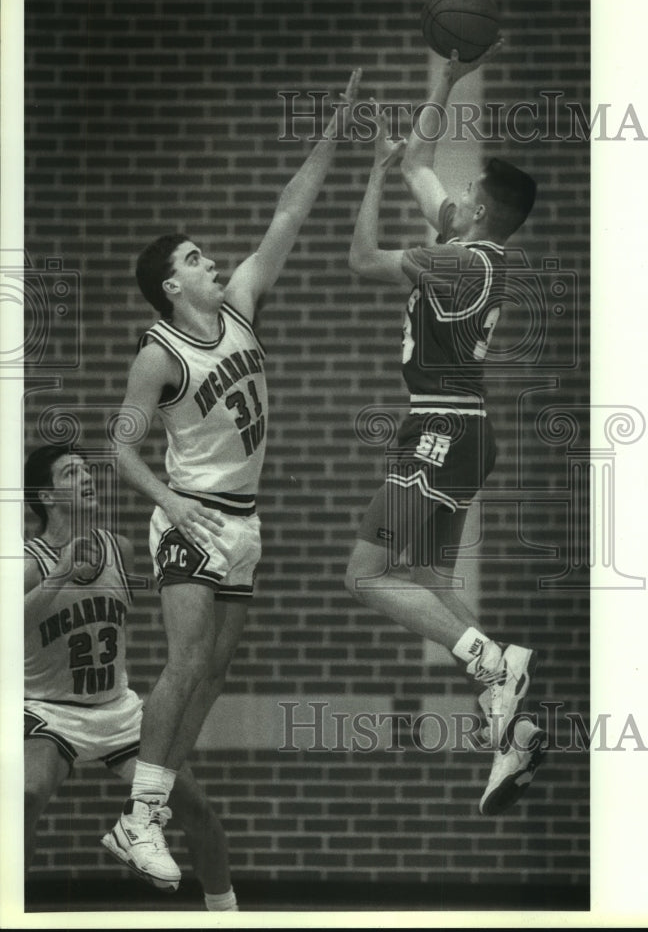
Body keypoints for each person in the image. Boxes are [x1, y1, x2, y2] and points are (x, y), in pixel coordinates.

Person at [105, 68, 362, 887]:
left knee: (212, 676)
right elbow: (120, 447)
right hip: (193, 517)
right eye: (194, 258)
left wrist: (336, 130)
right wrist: (170, 503)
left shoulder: (243, 302)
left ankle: (145, 810)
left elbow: (289, 209)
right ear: (170, 286)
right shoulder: (159, 353)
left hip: (244, 522)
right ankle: (139, 820)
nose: (212, 259)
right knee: (182, 666)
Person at [345, 49, 547, 816]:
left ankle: (494, 664)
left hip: (441, 429)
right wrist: (447, 78)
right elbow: (420, 162)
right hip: (463, 431)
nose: (449, 193)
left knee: (364, 574)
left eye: (463, 192)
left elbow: (361, 257)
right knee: (428, 578)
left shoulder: (455, 264)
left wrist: (369, 176)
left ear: (479, 212)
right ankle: (515, 723)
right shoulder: (470, 249)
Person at [23, 443, 238, 909]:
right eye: (70, 474)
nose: (85, 478)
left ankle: (227, 913)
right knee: (25, 795)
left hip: (117, 709)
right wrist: (58, 577)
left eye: (85, 470)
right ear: (46, 495)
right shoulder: (27, 561)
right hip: (49, 710)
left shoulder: (119, 549)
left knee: (195, 807)